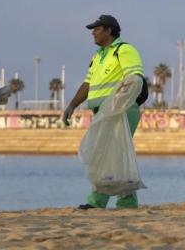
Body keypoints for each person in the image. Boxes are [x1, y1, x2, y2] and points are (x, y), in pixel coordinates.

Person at [62, 14, 146, 209]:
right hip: (102, 112)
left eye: (97, 29)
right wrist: (72, 105)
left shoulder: (124, 50)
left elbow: (135, 78)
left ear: (109, 31)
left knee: (111, 155)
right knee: (110, 155)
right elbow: (88, 83)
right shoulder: (98, 56)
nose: (93, 33)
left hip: (121, 111)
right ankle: (127, 202)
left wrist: (117, 105)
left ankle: (98, 202)